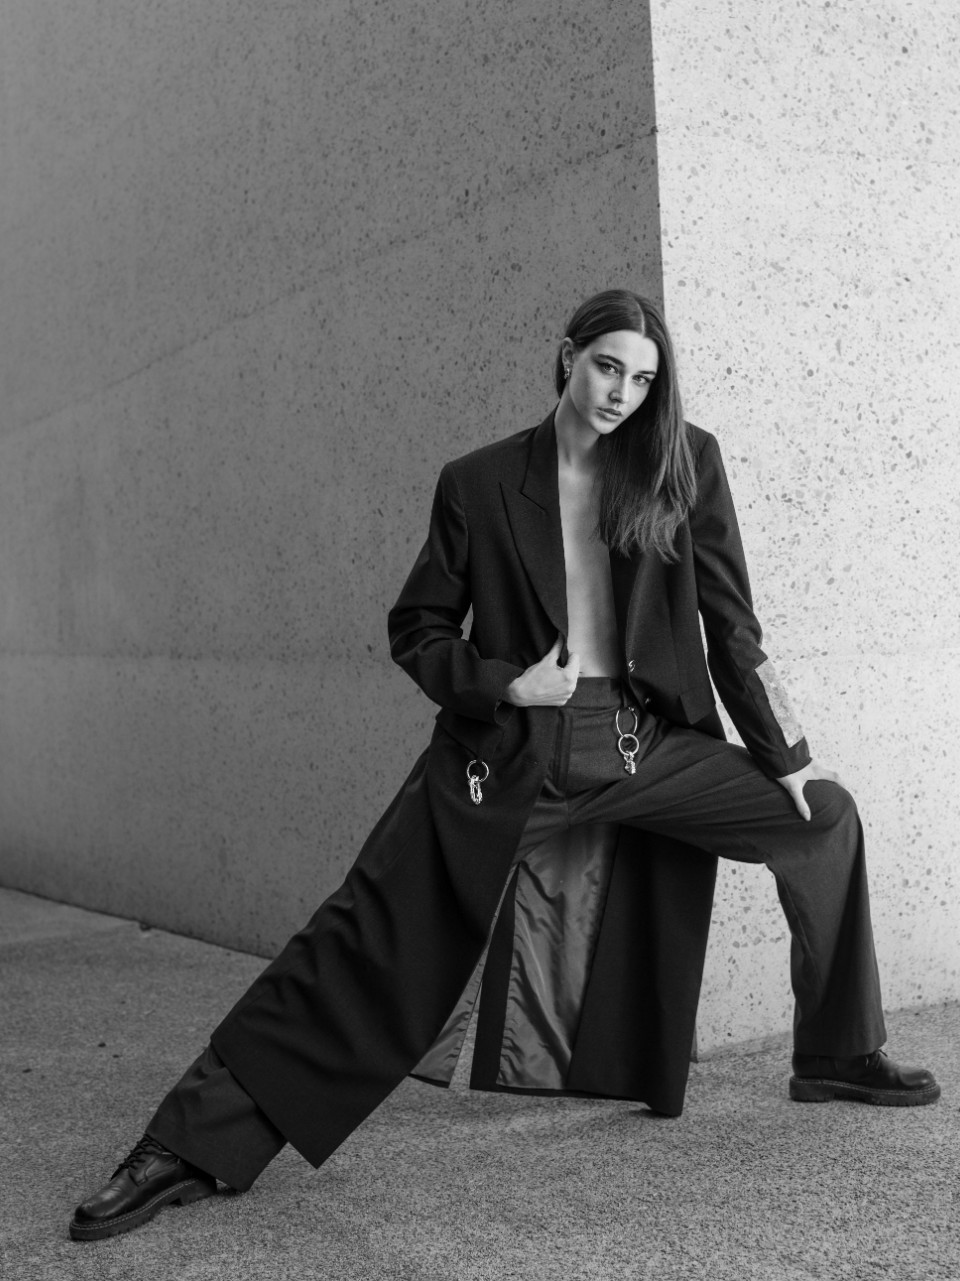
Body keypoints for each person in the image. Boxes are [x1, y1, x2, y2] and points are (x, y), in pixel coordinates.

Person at [70, 289, 939, 1242]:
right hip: (512, 755)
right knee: (363, 937)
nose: (621, 392)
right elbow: (417, 627)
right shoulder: (479, 481)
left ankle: (838, 1053)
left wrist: (786, 755)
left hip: (646, 747)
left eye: (642, 378)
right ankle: (185, 1144)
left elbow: (733, 624)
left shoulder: (684, 460)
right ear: (567, 357)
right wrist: (505, 685)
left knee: (825, 818)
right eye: (606, 366)